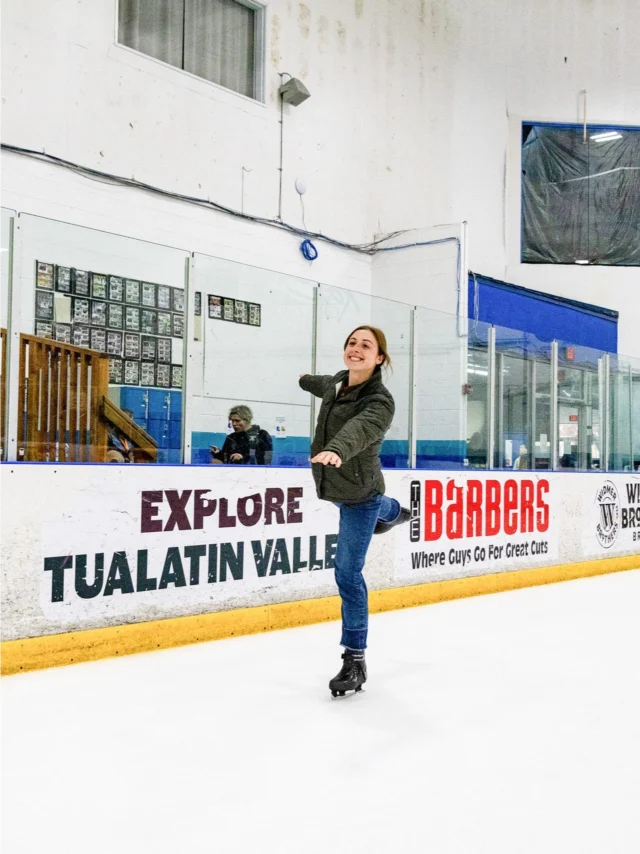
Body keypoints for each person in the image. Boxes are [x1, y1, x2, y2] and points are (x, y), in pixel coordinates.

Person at [299, 325, 410, 698]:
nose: (356, 349)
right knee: (379, 508)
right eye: (351, 343)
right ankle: (392, 512)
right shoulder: (336, 382)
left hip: (359, 493)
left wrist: (338, 450)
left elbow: (360, 429)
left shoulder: (380, 401)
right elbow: (322, 384)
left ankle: (355, 659)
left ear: (379, 358)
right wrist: (303, 380)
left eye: (366, 345)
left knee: (347, 574)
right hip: (333, 485)